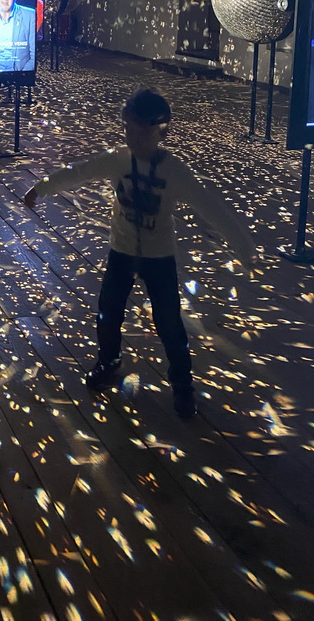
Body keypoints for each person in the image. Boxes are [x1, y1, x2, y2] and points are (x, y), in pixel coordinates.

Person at [23, 88, 258, 418]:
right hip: (121, 251)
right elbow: (80, 171)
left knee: (169, 323)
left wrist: (245, 248)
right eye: (126, 128)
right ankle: (108, 362)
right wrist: (42, 187)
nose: (128, 135)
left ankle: (181, 384)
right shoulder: (119, 159)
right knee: (108, 313)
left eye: (133, 128)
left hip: (159, 258)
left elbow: (212, 207)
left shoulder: (174, 171)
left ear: (154, 130)